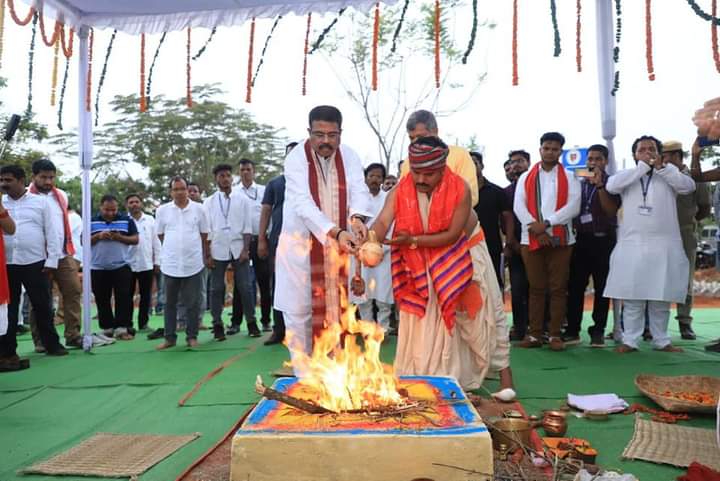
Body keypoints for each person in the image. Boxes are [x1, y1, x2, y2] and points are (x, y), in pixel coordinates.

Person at [370, 137, 513, 393]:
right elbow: (382, 222)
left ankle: (456, 383)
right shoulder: (401, 189)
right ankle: (420, 383)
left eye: (429, 174)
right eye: (416, 172)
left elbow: (451, 235)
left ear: (443, 168)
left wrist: (412, 240)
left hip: (457, 259)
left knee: (480, 318)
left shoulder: (460, 190)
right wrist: (369, 240)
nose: (421, 179)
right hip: (418, 267)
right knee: (421, 326)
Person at [274, 105, 371, 376]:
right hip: (301, 251)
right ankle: (305, 382)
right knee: (300, 317)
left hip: (338, 253)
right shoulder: (295, 158)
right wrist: (336, 232)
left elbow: (359, 189)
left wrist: (356, 219)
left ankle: (335, 382)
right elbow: (303, 204)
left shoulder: (349, 156)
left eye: (332, 134)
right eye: (319, 134)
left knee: (338, 315)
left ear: (340, 134)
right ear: (309, 132)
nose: (325, 141)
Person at [604, 136, 695, 353]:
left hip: (664, 244)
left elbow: (688, 187)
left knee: (660, 296)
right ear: (635, 154)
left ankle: (661, 340)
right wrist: (641, 168)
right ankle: (630, 341)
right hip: (632, 244)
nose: (647, 152)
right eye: (642, 149)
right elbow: (611, 186)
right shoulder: (627, 176)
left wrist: (663, 167)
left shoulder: (670, 174)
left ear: (660, 153)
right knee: (633, 296)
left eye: (652, 149)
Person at [514, 132, 581, 351]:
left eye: (554, 148)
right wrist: (536, 228)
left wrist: (548, 223)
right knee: (535, 287)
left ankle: (554, 334)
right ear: (540, 149)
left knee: (558, 288)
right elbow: (518, 207)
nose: (550, 152)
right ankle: (534, 334)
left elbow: (573, 207)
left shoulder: (570, 177)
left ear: (561, 151)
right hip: (530, 237)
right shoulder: (526, 177)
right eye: (546, 148)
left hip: (561, 239)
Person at [0, 165, 66, 370]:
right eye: (1, 180)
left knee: (42, 306)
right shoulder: (0, 203)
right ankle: (8, 352)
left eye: (8, 180)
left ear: (21, 181)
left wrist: (52, 261)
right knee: (9, 310)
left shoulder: (41, 203)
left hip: (36, 263)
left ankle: (51, 345)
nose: (3, 184)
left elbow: (52, 233)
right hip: (7, 264)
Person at [563, 144, 621, 347]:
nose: (593, 163)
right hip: (581, 240)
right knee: (575, 286)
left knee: (602, 287)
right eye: (590, 159)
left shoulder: (613, 182)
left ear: (605, 161)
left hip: (604, 239)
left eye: (598, 159)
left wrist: (599, 186)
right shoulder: (578, 180)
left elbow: (611, 211)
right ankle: (572, 330)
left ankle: (598, 331)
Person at [28, 159, 82, 350]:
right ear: (33, 176)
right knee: (40, 298)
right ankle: (41, 340)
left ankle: (73, 335)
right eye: (43, 177)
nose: (48, 181)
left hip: (62, 252)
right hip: (39, 255)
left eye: (51, 177)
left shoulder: (61, 195)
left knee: (74, 291)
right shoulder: (26, 197)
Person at [662, 140, 710, 341]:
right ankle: (656, 325)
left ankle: (684, 322)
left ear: (676, 156)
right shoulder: (660, 176)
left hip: (684, 233)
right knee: (660, 276)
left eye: (666, 156)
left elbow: (704, 207)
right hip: (661, 234)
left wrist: (688, 222)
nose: (663, 160)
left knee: (685, 278)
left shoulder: (695, 177)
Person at [155, 177, 210, 349]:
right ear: (171, 192)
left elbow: (204, 235)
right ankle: (169, 338)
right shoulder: (162, 210)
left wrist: (205, 256)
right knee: (169, 303)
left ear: (188, 190)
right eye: (175, 189)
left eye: (182, 189)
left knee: (192, 303)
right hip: (170, 264)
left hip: (193, 263)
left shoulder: (199, 209)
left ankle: (191, 337)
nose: (179, 192)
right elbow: (161, 235)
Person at [204, 164, 256, 341]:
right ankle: (217, 324)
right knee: (216, 288)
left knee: (245, 287)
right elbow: (206, 230)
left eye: (227, 175)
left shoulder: (243, 199)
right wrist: (207, 255)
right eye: (221, 176)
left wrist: (246, 250)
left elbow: (248, 227)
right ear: (216, 179)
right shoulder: (208, 202)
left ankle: (251, 323)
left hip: (238, 248)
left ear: (232, 178)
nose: (225, 179)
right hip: (217, 248)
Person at [257, 143, 298, 346]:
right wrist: (262, 238)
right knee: (279, 284)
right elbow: (266, 211)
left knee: (304, 286)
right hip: (279, 241)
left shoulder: (310, 183)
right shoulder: (275, 183)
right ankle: (279, 329)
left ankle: (303, 331)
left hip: (304, 243)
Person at [399, 110, 479, 206]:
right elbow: (402, 198)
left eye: (420, 136)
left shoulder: (459, 155)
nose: (415, 142)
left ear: (435, 131)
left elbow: (471, 197)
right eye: (411, 138)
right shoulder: (407, 163)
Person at [351, 163, 394, 330]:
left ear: (383, 180)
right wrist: (362, 250)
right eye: (371, 176)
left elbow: (392, 224)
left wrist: (380, 249)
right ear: (365, 178)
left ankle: (383, 329)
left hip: (383, 253)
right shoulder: (357, 200)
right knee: (363, 295)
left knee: (383, 296)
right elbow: (352, 224)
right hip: (360, 255)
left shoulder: (388, 198)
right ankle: (367, 329)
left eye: (378, 177)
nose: (375, 180)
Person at [90, 195, 139, 340]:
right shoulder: (91, 220)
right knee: (101, 298)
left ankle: (122, 328)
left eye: (113, 210)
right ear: (101, 207)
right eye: (107, 210)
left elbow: (135, 239)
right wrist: (98, 236)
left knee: (123, 297)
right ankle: (107, 328)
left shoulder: (126, 220)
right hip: (98, 267)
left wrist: (119, 237)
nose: (110, 213)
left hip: (121, 265)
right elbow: (83, 241)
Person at [235, 159, 272, 332]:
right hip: (241, 243)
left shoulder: (264, 190)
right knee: (239, 284)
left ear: (254, 171)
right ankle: (236, 322)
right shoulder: (234, 193)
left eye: (248, 169)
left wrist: (265, 239)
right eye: (242, 170)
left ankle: (265, 320)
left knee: (264, 282)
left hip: (260, 241)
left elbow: (268, 215)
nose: (245, 172)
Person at [470, 151, 513, 288]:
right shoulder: (457, 192)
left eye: (474, 163)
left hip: (492, 248)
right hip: (466, 249)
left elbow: (508, 218)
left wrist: (509, 245)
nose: (471, 167)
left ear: (481, 165)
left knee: (494, 287)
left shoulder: (496, 192)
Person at [503, 150, 531, 340]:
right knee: (518, 288)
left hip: (537, 244)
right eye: (513, 162)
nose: (516, 165)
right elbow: (504, 219)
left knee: (538, 288)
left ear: (528, 163)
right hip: (515, 247)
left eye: (520, 161)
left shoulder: (537, 187)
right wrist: (510, 241)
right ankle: (519, 328)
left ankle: (539, 327)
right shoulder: (505, 192)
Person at [126, 194, 161, 332]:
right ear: (127, 205)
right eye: (131, 202)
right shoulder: (124, 220)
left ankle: (143, 323)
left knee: (146, 295)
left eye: (136, 201)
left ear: (141, 203)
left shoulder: (150, 220)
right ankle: (127, 324)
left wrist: (157, 261)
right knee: (126, 296)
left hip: (146, 263)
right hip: (127, 264)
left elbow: (156, 242)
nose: (134, 204)